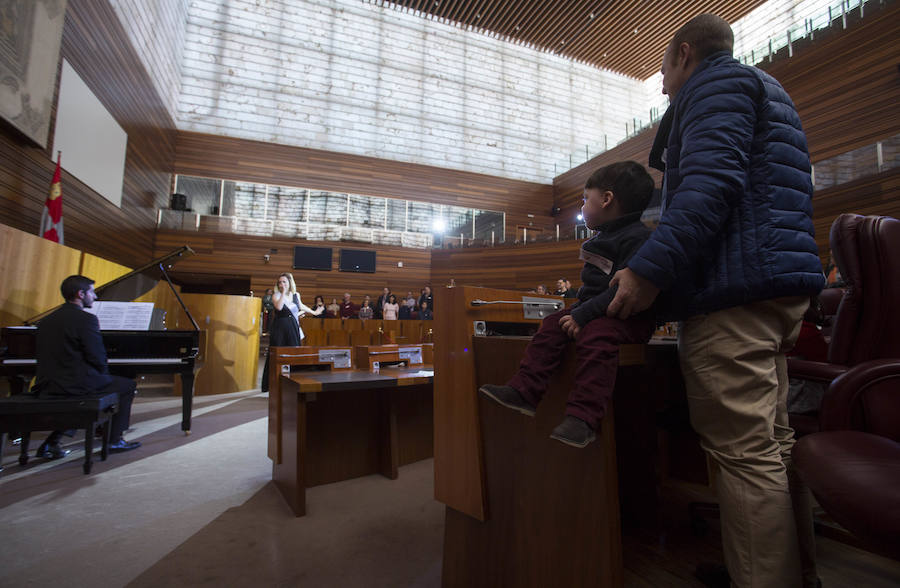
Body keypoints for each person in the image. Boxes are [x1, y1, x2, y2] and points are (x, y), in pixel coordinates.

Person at [605, 15, 825, 588]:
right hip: (775, 289)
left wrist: (647, 272)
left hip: (734, 291)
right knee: (772, 447)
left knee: (746, 456)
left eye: (662, 70)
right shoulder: (765, 86)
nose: (661, 86)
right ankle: (797, 573)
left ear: (683, 54)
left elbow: (708, 187)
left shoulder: (715, 86)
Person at [479, 162, 657, 448]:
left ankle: (583, 419)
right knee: (552, 322)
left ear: (607, 199)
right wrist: (580, 313)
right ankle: (525, 391)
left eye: (586, 198)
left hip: (629, 318)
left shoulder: (639, 238)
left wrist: (583, 315)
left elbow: (624, 290)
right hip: (594, 313)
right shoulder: (603, 238)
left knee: (597, 334)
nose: (582, 205)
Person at [32, 275, 141, 458]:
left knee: (93, 389)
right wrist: (103, 375)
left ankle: (52, 442)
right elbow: (97, 357)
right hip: (73, 384)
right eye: (92, 292)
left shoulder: (45, 321)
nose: (95, 297)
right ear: (81, 294)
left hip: (47, 383)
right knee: (126, 386)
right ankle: (114, 440)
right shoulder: (86, 320)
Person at [261, 273, 317, 393]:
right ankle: (273, 383)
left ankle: (294, 382)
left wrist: (314, 312)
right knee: (278, 354)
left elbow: (301, 306)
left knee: (293, 352)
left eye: (284, 282)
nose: (282, 284)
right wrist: (282, 293)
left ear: (290, 283)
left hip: (293, 327)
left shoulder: (296, 295)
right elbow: (280, 307)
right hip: (280, 328)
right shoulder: (276, 295)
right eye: (280, 282)